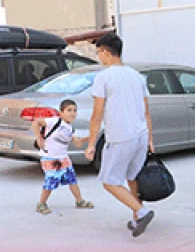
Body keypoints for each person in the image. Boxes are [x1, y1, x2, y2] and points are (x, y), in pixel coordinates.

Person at [84, 33, 156, 237]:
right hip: (140, 135)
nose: (99, 57)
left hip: (120, 137)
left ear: (106, 52)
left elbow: (96, 115)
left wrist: (91, 144)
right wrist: (150, 139)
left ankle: (142, 212)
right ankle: (137, 219)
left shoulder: (103, 77)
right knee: (132, 178)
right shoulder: (137, 76)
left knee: (109, 181)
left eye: (98, 52)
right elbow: (146, 112)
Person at [31, 99, 94, 214]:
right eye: (69, 110)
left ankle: (79, 201)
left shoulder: (71, 129)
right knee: (51, 181)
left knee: (72, 180)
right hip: (50, 157)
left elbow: (77, 143)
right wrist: (39, 138)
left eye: (74, 110)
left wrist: (89, 137)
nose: (72, 113)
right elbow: (36, 123)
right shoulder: (54, 121)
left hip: (64, 158)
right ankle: (41, 203)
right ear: (61, 112)